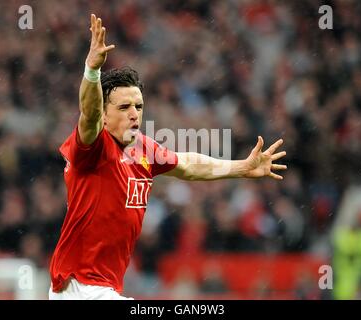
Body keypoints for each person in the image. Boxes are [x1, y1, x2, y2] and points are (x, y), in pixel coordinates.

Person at [48, 14, 287, 300]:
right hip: (80, 286)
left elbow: (189, 165)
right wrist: (92, 72)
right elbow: (88, 114)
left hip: (102, 287)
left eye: (138, 105)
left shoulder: (143, 149)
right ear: (106, 115)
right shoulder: (93, 147)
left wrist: (241, 167)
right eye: (124, 107)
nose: (134, 113)